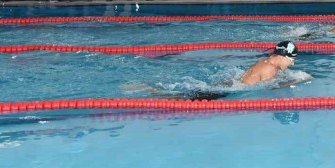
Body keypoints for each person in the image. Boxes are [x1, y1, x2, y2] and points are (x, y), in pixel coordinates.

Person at [122, 41, 308, 100]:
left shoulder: (265, 61)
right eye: (291, 60)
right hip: (226, 91)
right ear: (282, 56)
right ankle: (148, 90)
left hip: (230, 83)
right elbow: (269, 89)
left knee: (189, 92)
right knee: (180, 98)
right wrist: (298, 80)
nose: (292, 64)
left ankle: (149, 89)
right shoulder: (270, 70)